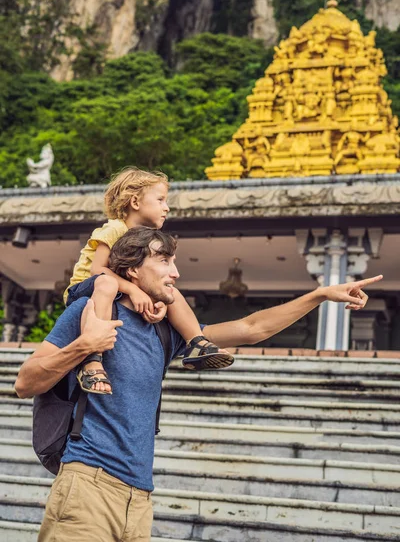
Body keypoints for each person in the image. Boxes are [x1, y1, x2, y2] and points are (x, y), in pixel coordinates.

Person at [15, 226, 383, 542]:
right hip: (87, 484)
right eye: (164, 261)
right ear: (132, 270)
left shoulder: (165, 330)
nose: (175, 273)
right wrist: (85, 346)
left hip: (139, 497)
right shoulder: (88, 313)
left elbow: (251, 329)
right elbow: (25, 382)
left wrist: (319, 295)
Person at [64, 166, 234, 395]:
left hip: (116, 288)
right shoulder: (115, 229)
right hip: (86, 289)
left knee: (171, 292)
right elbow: (97, 270)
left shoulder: (144, 240)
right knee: (108, 283)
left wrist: (158, 299)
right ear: (135, 202)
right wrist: (135, 292)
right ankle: (92, 361)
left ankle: (196, 343)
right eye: (161, 199)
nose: (167, 207)